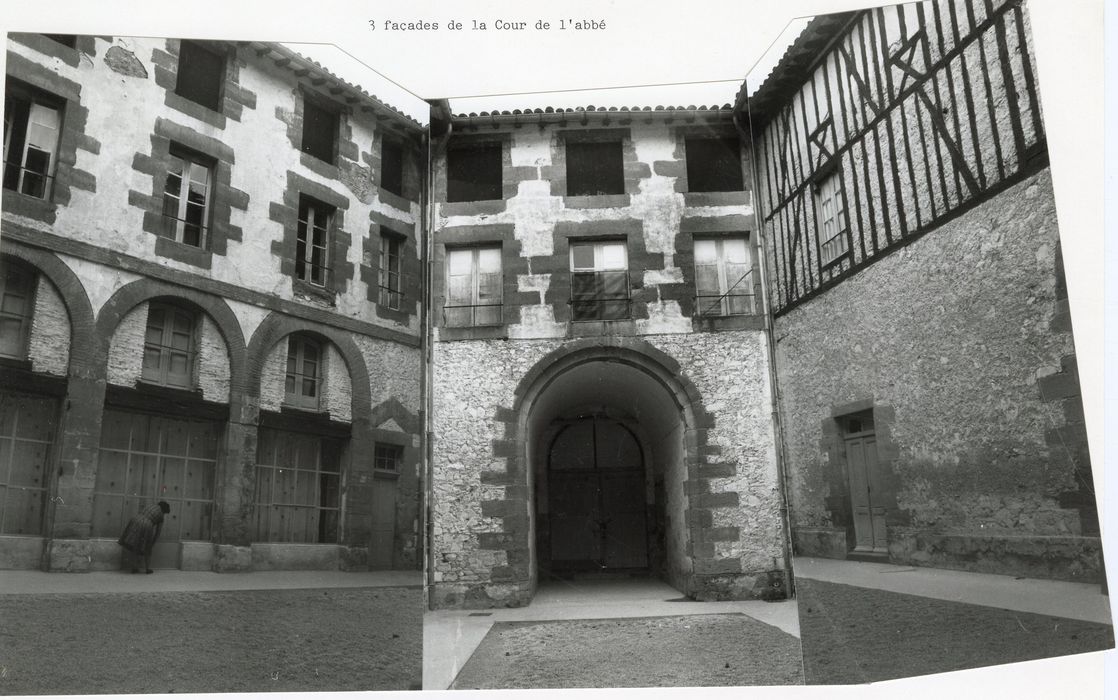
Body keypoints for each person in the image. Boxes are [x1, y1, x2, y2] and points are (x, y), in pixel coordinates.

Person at [117, 501, 170, 574]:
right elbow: (158, 532)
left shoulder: (150, 506)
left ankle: (134, 568)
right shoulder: (161, 515)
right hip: (146, 524)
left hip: (135, 520)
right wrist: (153, 543)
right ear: (164, 510)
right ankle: (147, 569)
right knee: (147, 549)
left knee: (134, 546)